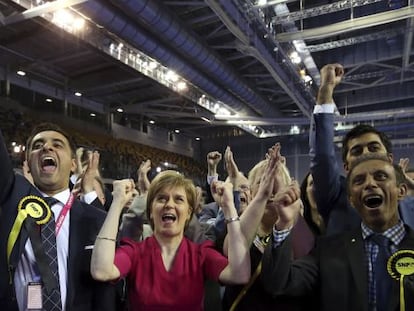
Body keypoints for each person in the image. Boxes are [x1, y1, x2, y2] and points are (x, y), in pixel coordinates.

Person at [262, 153, 414, 311]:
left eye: (380, 176)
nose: (370, 184)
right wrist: (284, 223)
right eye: (359, 180)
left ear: (401, 191)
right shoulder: (327, 250)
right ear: (351, 200)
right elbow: (278, 284)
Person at [90, 170, 251, 311]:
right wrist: (117, 203)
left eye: (179, 199)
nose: (169, 205)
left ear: (188, 213)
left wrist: (229, 207)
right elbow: (101, 271)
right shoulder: (134, 252)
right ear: (151, 211)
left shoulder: (201, 254)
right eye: (161, 198)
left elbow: (239, 275)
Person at [0, 122, 116, 311]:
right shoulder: (13, 198)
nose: (46, 147)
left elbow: (104, 292)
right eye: (37, 146)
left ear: (72, 164)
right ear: (28, 163)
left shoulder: (97, 219)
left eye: (57, 144)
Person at [309, 63, 414, 234]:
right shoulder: (336, 194)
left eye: (374, 148)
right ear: (346, 166)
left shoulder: (410, 204)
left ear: (389, 159)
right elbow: (322, 157)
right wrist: (326, 88)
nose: (365, 154)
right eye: (356, 151)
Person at [222, 144, 315, 311]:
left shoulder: (304, 233)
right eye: (263, 181)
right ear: (250, 193)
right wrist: (262, 195)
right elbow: (231, 250)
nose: (271, 189)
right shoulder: (233, 227)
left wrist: (288, 218)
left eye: (276, 182)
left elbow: (300, 277)